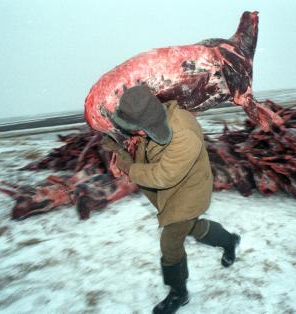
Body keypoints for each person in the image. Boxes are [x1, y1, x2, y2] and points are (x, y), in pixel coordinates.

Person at [101, 85, 240, 314]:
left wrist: (125, 164)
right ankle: (228, 241)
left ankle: (179, 294)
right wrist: (117, 144)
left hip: (187, 193)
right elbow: (142, 147)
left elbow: (162, 175)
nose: (135, 133)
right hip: (167, 191)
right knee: (192, 228)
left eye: (138, 129)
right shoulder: (154, 116)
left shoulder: (182, 135)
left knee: (171, 243)